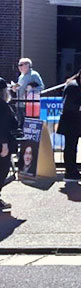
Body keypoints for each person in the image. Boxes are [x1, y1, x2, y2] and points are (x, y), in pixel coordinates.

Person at [57, 66, 81, 181]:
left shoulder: (75, 85)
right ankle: (70, 172)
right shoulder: (74, 86)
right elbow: (68, 105)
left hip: (72, 121)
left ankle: (72, 170)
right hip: (70, 121)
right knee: (70, 147)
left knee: (72, 146)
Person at [0, 77, 19, 210]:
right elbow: (3, 126)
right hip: (2, 142)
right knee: (2, 170)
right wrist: (4, 144)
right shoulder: (2, 106)